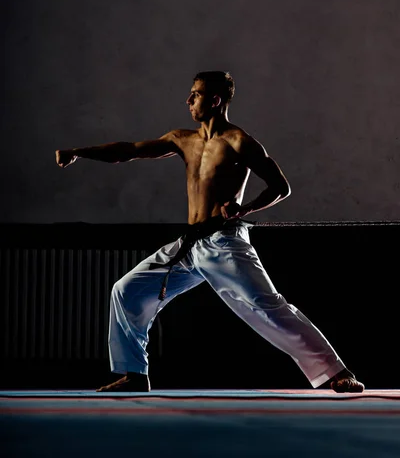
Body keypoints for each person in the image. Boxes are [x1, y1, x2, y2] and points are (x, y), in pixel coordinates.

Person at [55, 71, 364, 393]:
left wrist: (244, 209)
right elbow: (130, 149)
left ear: (214, 100)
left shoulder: (238, 142)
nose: (189, 100)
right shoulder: (182, 139)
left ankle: (337, 372)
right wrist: (80, 151)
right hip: (189, 244)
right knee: (127, 290)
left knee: (266, 305)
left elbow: (280, 187)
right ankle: (134, 374)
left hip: (224, 241)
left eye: (196, 95)